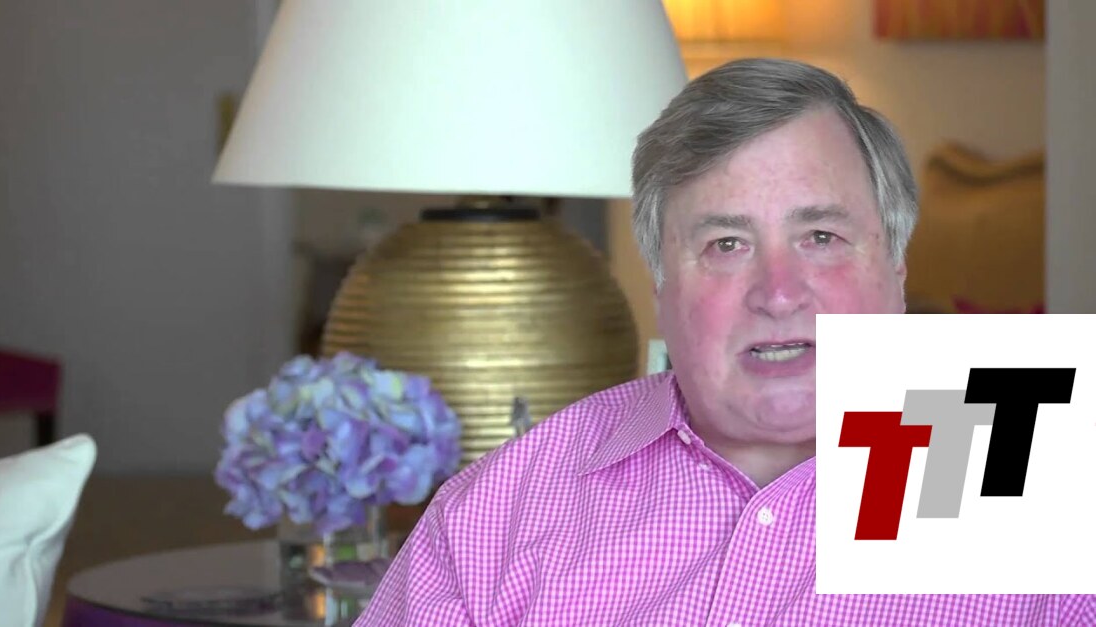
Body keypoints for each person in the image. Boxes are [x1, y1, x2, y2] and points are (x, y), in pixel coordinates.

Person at [354, 58, 1094, 625]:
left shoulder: (1024, 450)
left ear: (895, 265)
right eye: (726, 244)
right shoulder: (503, 508)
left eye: (821, 236)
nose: (778, 292)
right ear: (660, 285)